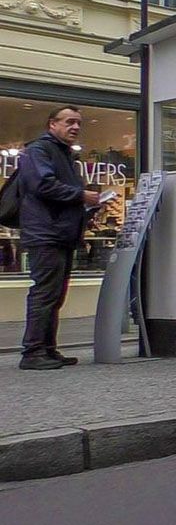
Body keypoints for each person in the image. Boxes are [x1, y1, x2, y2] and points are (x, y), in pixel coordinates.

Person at [17, 106, 99, 370]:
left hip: (60, 232)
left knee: (55, 294)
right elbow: (42, 185)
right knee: (45, 292)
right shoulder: (39, 150)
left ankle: (48, 349)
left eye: (78, 123)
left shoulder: (64, 154)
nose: (75, 127)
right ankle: (33, 352)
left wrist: (87, 206)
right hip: (46, 233)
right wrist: (81, 196)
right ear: (53, 124)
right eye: (69, 122)